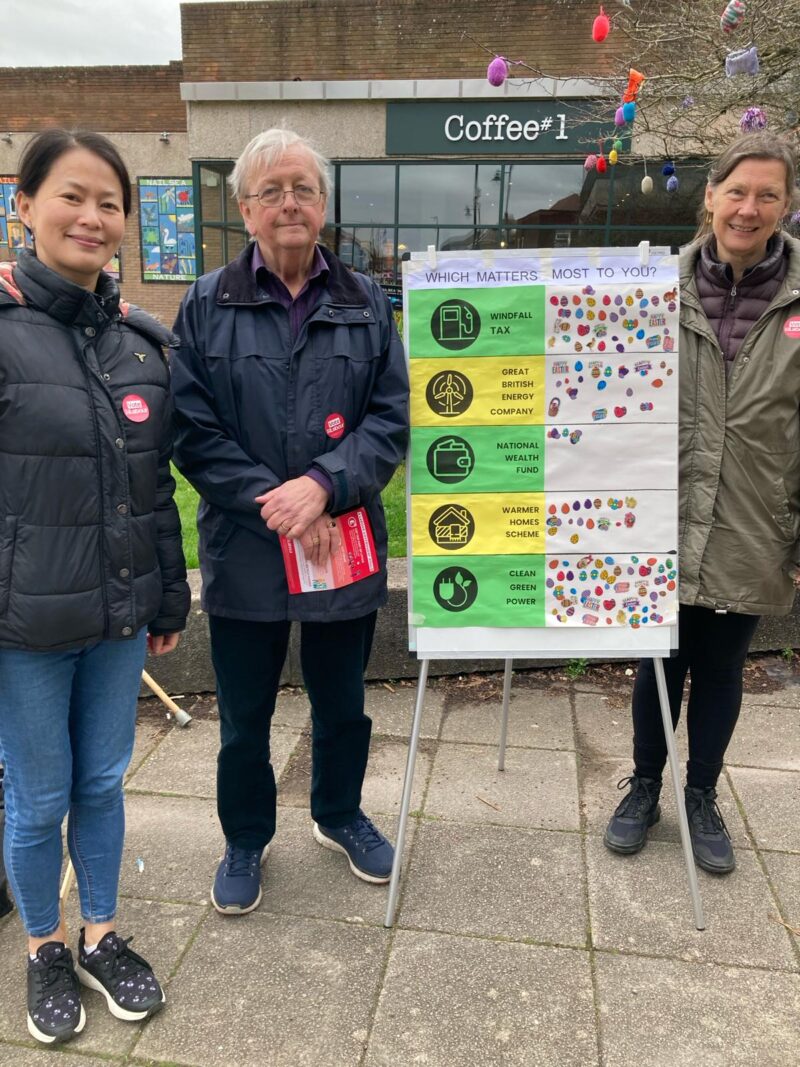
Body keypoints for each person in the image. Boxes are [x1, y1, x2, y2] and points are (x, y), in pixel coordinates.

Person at [171, 129, 409, 916]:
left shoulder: (366, 301)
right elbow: (190, 429)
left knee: (344, 701)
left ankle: (339, 813)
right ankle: (245, 835)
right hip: (247, 549)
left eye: (303, 187)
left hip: (341, 542)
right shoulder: (204, 305)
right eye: (270, 191)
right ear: (245, 210)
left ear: (324, 203)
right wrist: (277, 501)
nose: (289, 203)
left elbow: (390, 419)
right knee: (245, 715)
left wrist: (323, 486)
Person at [0, 129, 190, 1044]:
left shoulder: (139, 345)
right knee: (37, 798)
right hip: (24, 626)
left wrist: (166, 598)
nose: (92, 216)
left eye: (109, 202)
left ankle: (101, 932)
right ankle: (43, 944)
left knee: (104, 783)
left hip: (117, 618)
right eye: (71, 196)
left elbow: (156, 488)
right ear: (24, 206)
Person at [605, 131, 800, 875]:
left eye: (768, 195)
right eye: (737, 192)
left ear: (787, 206)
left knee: (721, 666)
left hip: (753, 519)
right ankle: (644, 787)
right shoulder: (651, 285)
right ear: (710, 197)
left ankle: (701, 793)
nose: (748, 209)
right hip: (660, 512)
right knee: (657, 659)